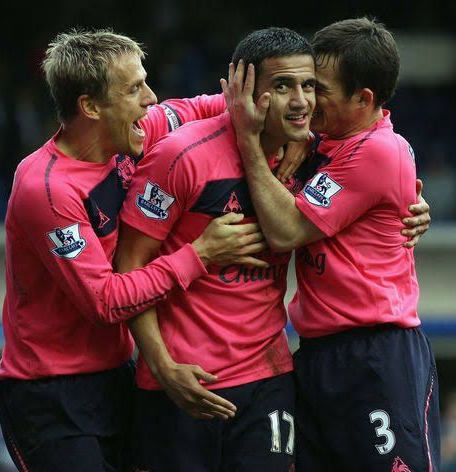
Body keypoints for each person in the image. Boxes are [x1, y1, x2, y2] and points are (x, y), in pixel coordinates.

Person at [0, 29, 267, 472]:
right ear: (91, 107)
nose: (151, 99)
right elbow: (104, 301)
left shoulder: (136, 133)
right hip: (49, 394)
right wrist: (201, 254)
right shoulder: (46, 189)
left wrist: (289, 119)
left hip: (116, 375)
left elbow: (209, 107)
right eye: (135, 88)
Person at [225, 17, 441, 471]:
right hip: (320, 353)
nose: (306, 99)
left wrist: (248, 143)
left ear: (363, 99)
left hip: (377, 356)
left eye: (319, 88)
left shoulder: (378, 151)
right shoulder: (328, 139)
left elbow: (286, 231)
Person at [118, 27, 316, 471]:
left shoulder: (312, 152)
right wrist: (164, 368)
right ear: (244, 89)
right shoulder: (182, 155)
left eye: (308, 86)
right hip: (182, 386)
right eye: (282, 86)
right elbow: (129, 268)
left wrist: (413, 203)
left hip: (267, 380)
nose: (301, 100)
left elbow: (378, 147)